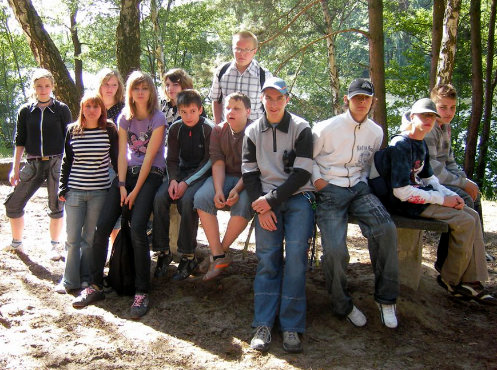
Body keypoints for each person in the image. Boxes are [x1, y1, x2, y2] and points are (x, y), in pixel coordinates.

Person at [377, 98, 496, 305]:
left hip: (420, 198)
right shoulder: (400, 145)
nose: (428, 120)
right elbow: (401, 191)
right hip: (406, 204)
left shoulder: (420, 142)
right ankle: (451, 280)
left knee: (472, 214)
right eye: (424, 115)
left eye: (432, 116)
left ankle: (470, 280)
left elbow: (429, 179)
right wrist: (442, 200)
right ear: (412, 117)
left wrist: (450, 196)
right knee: (464, 221)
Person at [72, 71, 166, 319]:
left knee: (137, 228)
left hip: (150, 174)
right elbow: (123, 155)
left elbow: (149, 159)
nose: (140, 92)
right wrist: (122, 185)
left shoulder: (158, 118)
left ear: (151, 92)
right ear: (131, 92)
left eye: (145, 88)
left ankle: (141, 291)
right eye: (136, 88)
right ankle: (94, 285)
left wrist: (135, 191)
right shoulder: (124, 118)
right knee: (101, 227)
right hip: (125, 177)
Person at [312, 78, 399, 329]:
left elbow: (368, 164)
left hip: (359, 189)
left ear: (373, 101)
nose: (362, 102)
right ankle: (342, 304)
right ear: (346, 100)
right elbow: (307, 158)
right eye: (357, 97)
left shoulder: (376, 132)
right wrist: (318, 181)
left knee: (386, 228)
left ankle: (386, 298)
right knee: (336, 250)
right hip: (329, 191)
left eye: (367, 98)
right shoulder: (325, 128)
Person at [242, 77, 314, 353]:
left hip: (298, 197)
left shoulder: (301, 128)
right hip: (266, 201)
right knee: (268, 258)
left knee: (296, 258)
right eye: (268, 98)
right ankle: (263, 323)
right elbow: (249, 174)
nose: (273, 103)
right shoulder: (252, 131)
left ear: (287, 99)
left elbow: (302, 173)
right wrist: (260, 208)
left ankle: (292, 325)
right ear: (262, 99)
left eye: (278, 98)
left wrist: (270, 201)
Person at [4, 68, 72, 259]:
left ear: (52, 87)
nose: (43, 89)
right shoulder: (26, 111)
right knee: (13, 203)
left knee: (56, 205)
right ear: (34, 87)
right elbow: (20, 140)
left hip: (56, 163)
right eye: (39, 86)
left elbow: (69, 140)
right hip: (32, 163)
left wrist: (69, 168)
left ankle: (54, 246)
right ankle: (17, 243)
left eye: (47, 86)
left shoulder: (61, 109)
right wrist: (15, 168)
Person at [425, 84, 494, 267]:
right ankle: (445, 260)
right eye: (443, 107)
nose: (449, 112)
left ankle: (474, 246)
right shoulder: (428, 129)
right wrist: (462, 185)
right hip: (429, 182)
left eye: (453, 107)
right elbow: (433, 170)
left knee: (474, 193)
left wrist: (466, 181)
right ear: (433, 106)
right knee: (463, 200)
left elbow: (450, 161)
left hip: (443, 178)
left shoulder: (446, 127)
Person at [56, 93, 118, 294]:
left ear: (102, 109)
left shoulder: (108, 130)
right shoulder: (72, 130)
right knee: (72, 239)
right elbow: (67, 161)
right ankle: (69, 280)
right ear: (82, 108)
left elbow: (116, 160)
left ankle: (86, 278)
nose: (92, 110)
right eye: (88, 106)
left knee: (89, 238)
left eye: (96, 106)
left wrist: (123, 184)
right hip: (74, 191)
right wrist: (62, 188)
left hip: (99, 192)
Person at [152, 89, 213, 280]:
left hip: (200, 175)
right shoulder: (176, 129)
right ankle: (163, 252)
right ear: (179, 110)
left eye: (193, 111)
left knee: (186, 201)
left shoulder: (208, 128)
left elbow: (208, 162)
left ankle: (188, 256)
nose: (188, 116)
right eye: (184, 112)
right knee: (160, 198)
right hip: (178, 174)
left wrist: (186, 183)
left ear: (200, 110)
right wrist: (173, 181)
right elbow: (170, 159)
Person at [193, 92, 253, 281]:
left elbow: (253, 168)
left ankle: (218, 254)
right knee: (202, 198)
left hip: (248, 179)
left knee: (244, 205)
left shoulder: (255, 131)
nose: (230, 112)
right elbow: (217, 162)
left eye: (236, 108)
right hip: (224, 176)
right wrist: (219, 190)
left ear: (248, 111)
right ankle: (219, 256)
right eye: (228, 108)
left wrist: (237, 190)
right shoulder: (218, 130)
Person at [209, 30, 272, 124]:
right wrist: (218, 126)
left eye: (246, 50)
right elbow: (216, 100)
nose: (241, 53)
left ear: (255, 51)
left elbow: (270, 105)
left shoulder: (264, 76)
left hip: (254, 132)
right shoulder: (222, 71)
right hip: (227, 131)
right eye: (238, 49)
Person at [97, 68, 125, 246]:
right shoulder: (92, 105)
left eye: (114, 85)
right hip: (93, 165)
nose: (110, 88)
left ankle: (115, 252)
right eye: (106, 84)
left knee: (115, 212)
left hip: (115, 165)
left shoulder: (123, 109)